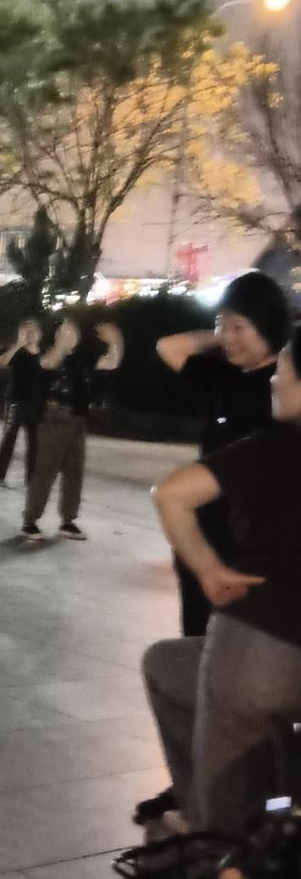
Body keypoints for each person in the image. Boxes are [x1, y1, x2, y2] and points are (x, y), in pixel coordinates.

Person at [140, 324, 301, 834]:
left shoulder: (274, 449)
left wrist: (208, 569)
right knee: (167, 664)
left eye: (286, 374)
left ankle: (218, 835)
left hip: (259, 648)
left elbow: (170, 494)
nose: (277, 382)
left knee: (223, 831)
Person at [154, 270, 290, 638]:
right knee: (197, 639)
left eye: (238, 328)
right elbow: (169, 346)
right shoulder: (222, 375)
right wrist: (225, 328)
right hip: (201, 540)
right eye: (220, 325)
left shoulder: (286, 392)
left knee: (239, 646)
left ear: (266, 324)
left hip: (251, 547)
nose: (226, 338)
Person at [20, 318, 124, 544]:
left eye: (73, 332)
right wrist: (61, 345)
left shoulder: (82, 360)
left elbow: (112, 362)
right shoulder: (47, 355)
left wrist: (116, 342)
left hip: (78, 419)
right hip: (54, 418)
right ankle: (30, 520)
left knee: (74, 472)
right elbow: (50, 363)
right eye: (63, 332)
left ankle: (68, 520)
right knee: (45, 471)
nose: (69, 335)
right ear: (56, 337)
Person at [0, 318, 44, 487]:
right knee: (9, 439)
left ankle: (32, 477)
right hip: (16, 402)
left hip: (35, 405)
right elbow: (1, 363)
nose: (30, 335)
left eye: (32, 331)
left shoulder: (42, 354)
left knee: (35, 443)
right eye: (26, 332)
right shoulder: (18, 353)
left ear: (39, 334)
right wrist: (17, 345)